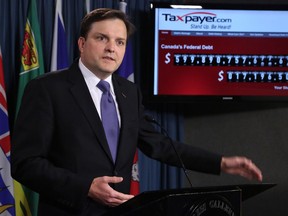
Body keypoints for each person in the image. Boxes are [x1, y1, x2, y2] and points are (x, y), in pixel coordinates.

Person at [11, 8, 262, 216]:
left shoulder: (128, 93)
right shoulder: (47, 89)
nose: (112, 48)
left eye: (119, 42)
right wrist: (85, 187)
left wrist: (220, 163)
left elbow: (160, 145)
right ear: (82, 44)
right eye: (102, 38)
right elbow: (25, 164)